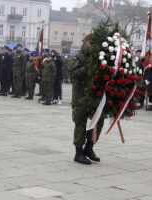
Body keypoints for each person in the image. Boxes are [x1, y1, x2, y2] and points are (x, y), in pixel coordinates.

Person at [69, 35, 103, 165]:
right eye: (90, 42)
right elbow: (73, 73)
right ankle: (78, 153)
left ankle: (89, 148)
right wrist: (89, 67)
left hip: (95, 96)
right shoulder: (78, 56)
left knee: (98, 122)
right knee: (80, 124)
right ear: (84, 43)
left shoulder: (99, 57)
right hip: (80, 97)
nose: (91, 45)